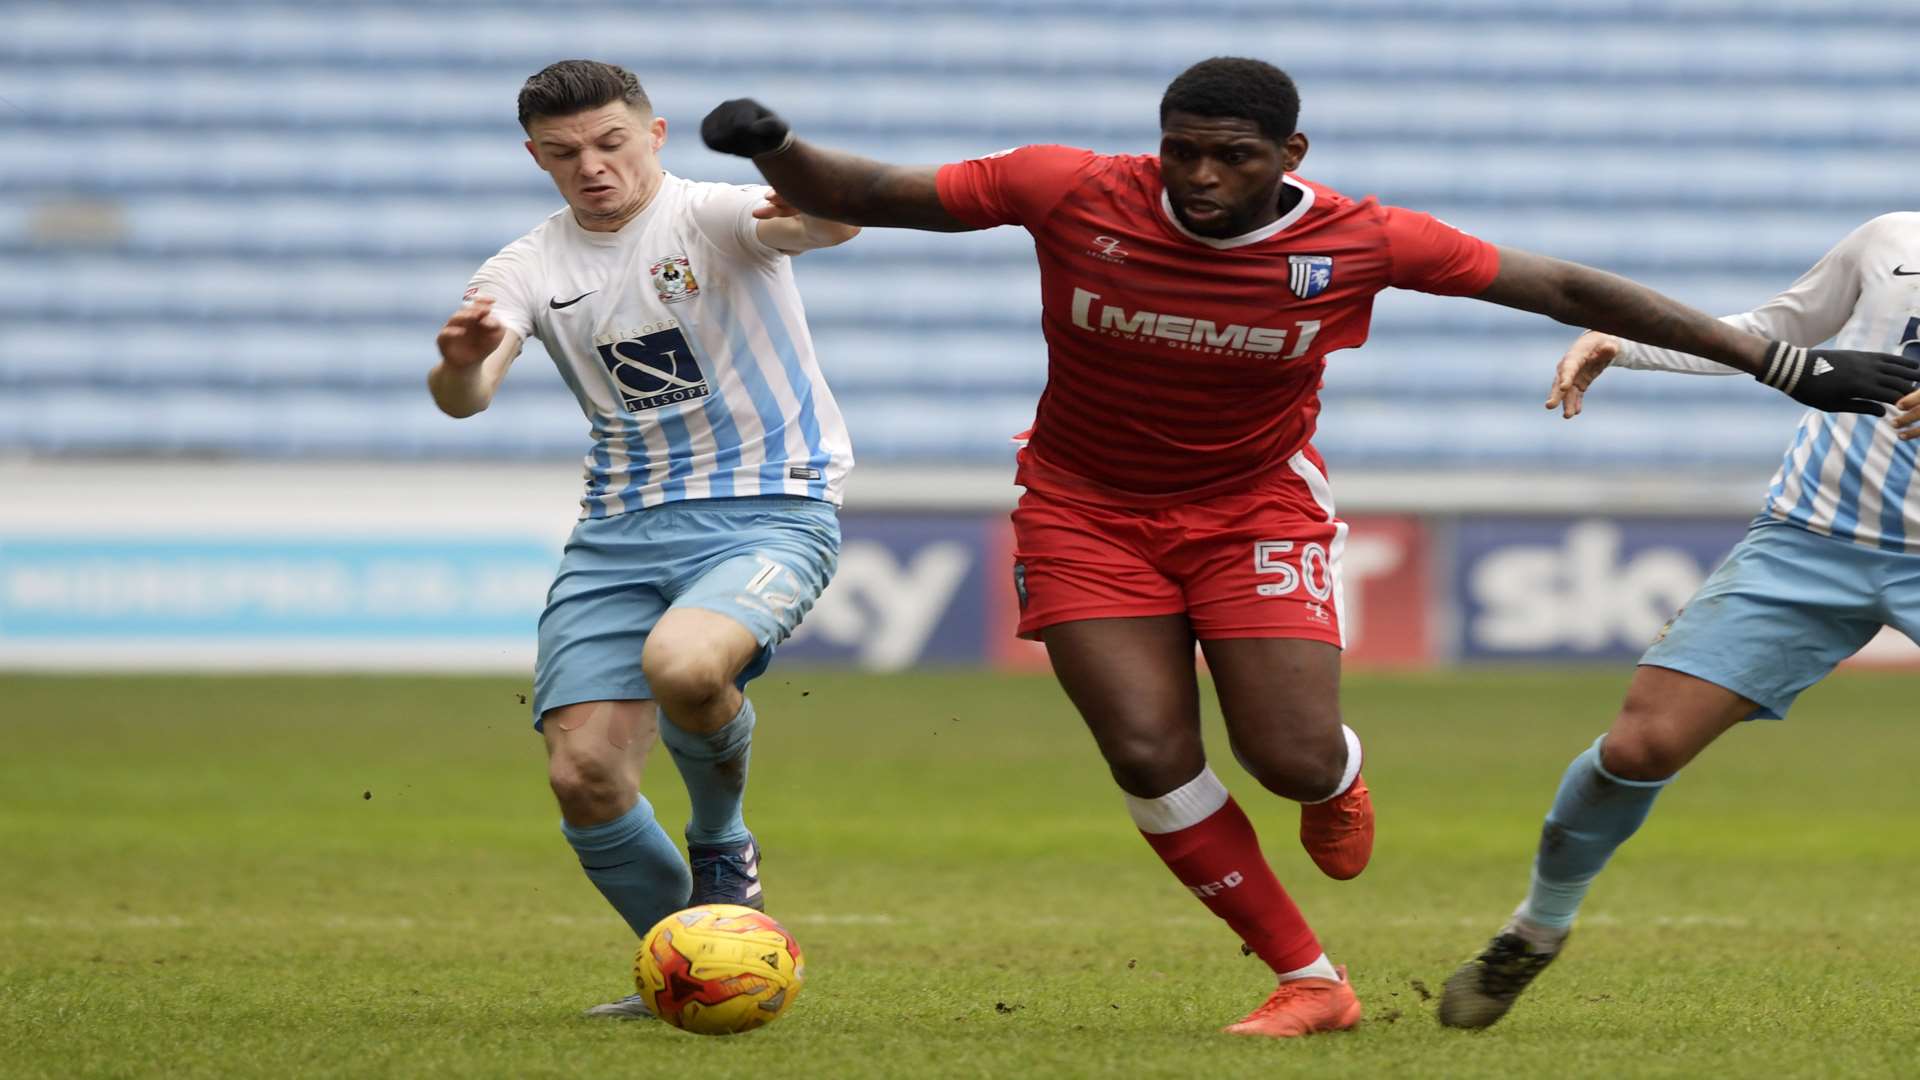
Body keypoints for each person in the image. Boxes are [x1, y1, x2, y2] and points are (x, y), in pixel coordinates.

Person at [698, 56, 1919, 1038]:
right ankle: (1308, 977)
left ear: (1291, 158)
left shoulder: (1365, 242)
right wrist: (772, 148)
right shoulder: (1068, 187)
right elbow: (870, 191)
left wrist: (1778, 362)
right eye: (1182, 148)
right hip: (1082, 503)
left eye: (1232, 155)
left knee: (1281, 758)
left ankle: (1333, 772)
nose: (1200, 174)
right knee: (1143, 744)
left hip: (1252, 509)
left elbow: (1559, 284)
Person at [428, 59, 859, 1018]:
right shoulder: (525, 267)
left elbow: (822, 224)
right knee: (582, 776)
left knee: (685, 665)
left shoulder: (708, 215)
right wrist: (458, 364)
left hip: (769, 506)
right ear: (535, 157)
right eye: (564, 152)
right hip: (618, 531)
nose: (591, 165)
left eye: (611, 142)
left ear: (654, 135)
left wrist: (800, 181)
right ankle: (697, 963)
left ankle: (723, 844)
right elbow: (468, 394)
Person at [1439, 212, 1920, 1030]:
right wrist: (1621, 344)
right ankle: (1536, 929)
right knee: (1638, 748)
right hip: (1810, 538)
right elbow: (1774, 332)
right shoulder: (1893, 239)